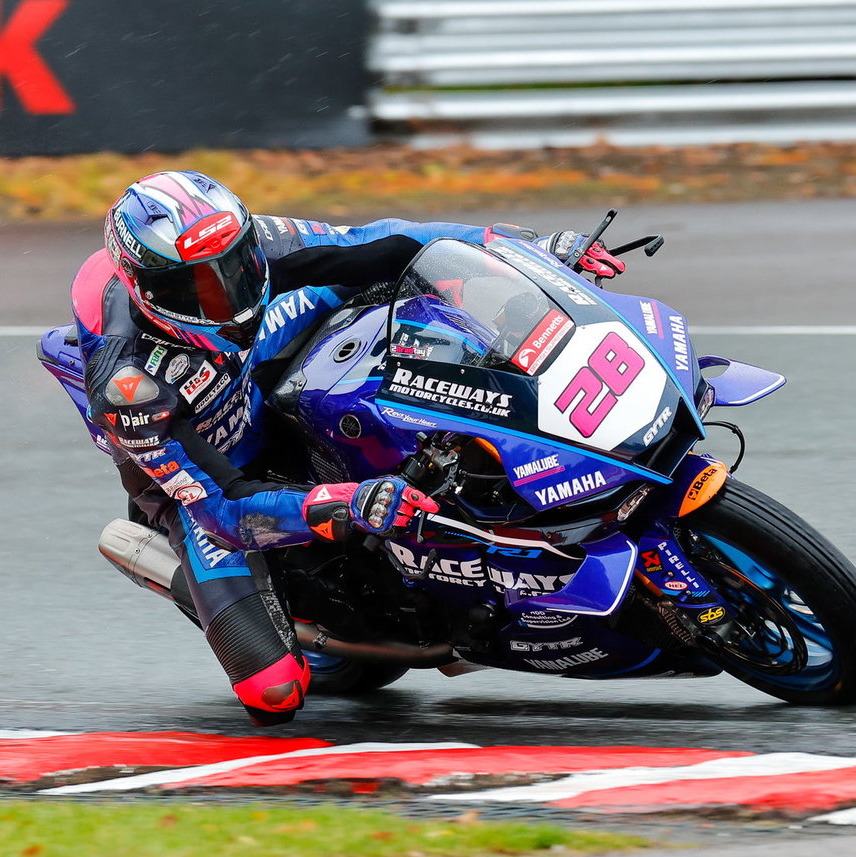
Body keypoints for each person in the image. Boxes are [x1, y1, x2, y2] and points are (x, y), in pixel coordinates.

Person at [61, 170, 624, 725]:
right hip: (207, 475)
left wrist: (522, 247)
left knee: (389, 280)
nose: (229, 292)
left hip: (255, 363)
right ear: (149, 290)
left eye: (236, 266)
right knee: (272, 691)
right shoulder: (127, 386)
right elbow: (225, 510)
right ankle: (181, 566)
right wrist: (350, 503)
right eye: (200, 286)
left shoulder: (254, 242)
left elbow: (381, 241)